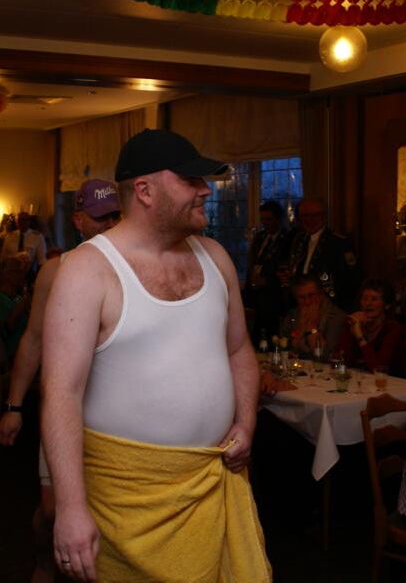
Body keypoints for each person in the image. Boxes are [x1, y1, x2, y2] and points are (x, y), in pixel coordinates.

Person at [41, 129, 271, 583]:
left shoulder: (215, 256)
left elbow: (239, 349)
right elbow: (61, 393)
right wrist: (69, 508)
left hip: (210, 483)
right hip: (126, 503)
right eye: (190, 180)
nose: (206, 190)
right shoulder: (88, 270)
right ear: (145, 190)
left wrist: (246, 422)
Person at [0, 178, 120, 583]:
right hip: (64, 410)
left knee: (107, 511)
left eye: (115, 216)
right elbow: (33, 339)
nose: (109, 225)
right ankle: (44, 561)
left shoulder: (131, 265)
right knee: (53, 512)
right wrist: (14, 406)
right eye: (100, 217)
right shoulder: (57, 270)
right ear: (79, 220)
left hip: (112, 416)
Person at [287, 198, 361, 312]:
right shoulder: (298, 240)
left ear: (324, 216)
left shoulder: (338, 243)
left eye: (315, 215)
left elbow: (351, 280)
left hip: (328, 306)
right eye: (305, 216)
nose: (310, 220)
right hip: (301, 304)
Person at [243, 200, 291, 344]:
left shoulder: (288, 240)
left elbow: (287, 271)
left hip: (275, 300)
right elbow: (252, 264)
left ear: (279, 219)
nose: (265, 223)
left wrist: (267, 281)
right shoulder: (260, 238)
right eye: (263, 219)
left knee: (272, 340)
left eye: (269, 219)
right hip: (256, 299)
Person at [337, 279, 404, 374]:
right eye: (364, 299)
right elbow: (341, 361)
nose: (368, 303)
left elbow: (378, 368)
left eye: (374, 299)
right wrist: (350, 329)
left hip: (389, 381)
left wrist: (360, 337)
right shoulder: (355, 322)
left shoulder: (393, 328)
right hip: (359, 378)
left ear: (387, 305)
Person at [280, 274, 346, 359]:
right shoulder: (292, 315)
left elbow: (325, 355)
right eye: (302, 297)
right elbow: (284, 347)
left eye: (311, 295)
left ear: (321, 294)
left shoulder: (336, 316)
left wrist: (311, 327)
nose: (307, 301)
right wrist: (300, 329)